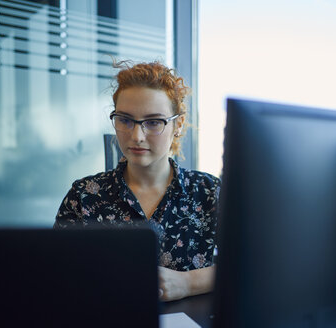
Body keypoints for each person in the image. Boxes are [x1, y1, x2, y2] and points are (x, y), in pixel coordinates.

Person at [54, 60, 221, 302]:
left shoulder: (208, 191)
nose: (136, 136)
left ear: (178, 124)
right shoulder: (83, 195)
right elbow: (55, 273)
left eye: (153, 122)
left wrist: (188, 283)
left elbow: (250, 265)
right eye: (125, 120)